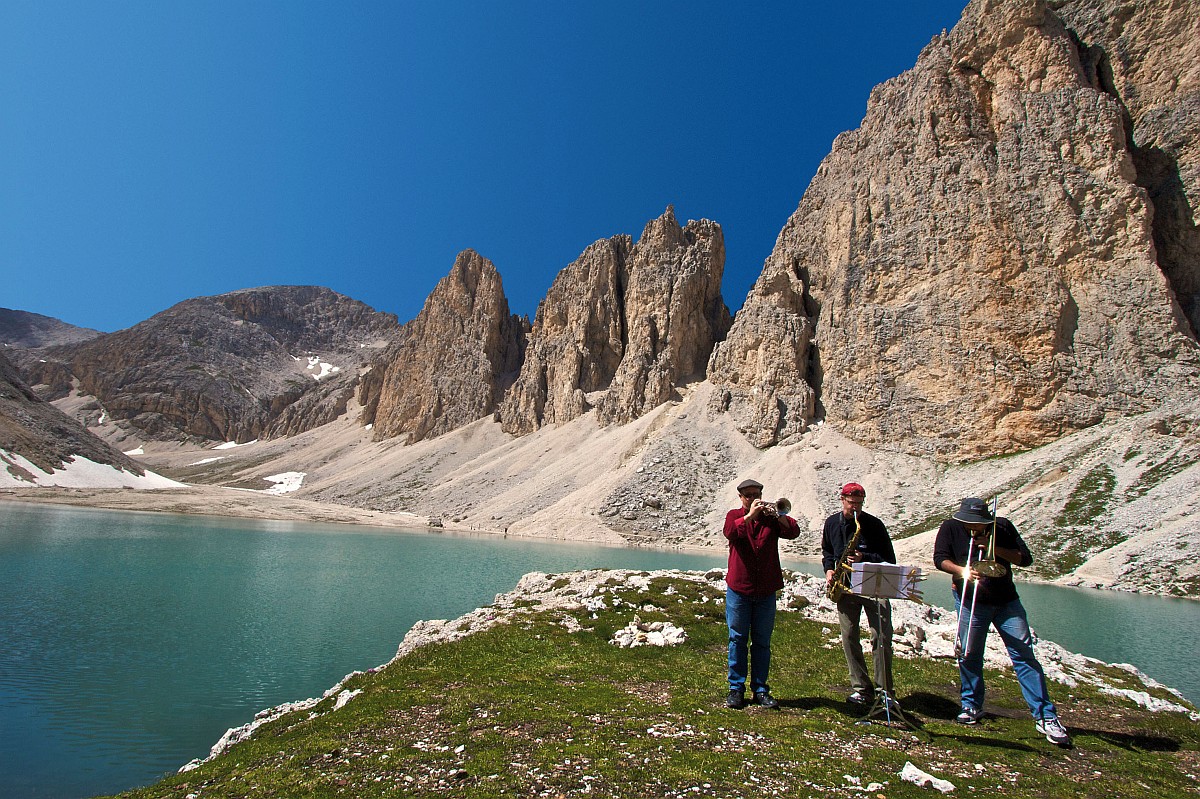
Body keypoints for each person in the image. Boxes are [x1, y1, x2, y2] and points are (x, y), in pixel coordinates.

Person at [933, 497, 1072, 746]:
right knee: (969, 653)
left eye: (977, 524)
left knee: (1023, 654)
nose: (972, 528)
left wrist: (993, 548)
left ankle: (1045, 715)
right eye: (969, 524)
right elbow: (940, 558)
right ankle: (971, 705)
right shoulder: (950, 527)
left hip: (1006, 601)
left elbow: (1024, 559)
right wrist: (961, 570)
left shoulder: (1003, 527)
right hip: (970, 600)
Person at [723, 478, 801, 709]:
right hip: (740, 588)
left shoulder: (770, 518)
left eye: (755, 494)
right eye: (747, 495)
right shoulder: (733, 516)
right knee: (737, 639)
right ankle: (736, 689)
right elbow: (730, 532)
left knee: (762, 642)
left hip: (766, 589)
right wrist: (749, 516)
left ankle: (760, 689)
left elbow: (793, 532)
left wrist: (780, 515)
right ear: (740, 498)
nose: (752, 498)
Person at [821, 482, 898, 708]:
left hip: (874, 586)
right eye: (851, 503)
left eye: (859, 504)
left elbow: (889, 559)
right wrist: (828, 569)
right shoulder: (831, 523)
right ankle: (861, 688)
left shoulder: (874, 525)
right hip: (845, 586)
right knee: (849, 636)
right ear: (842, 499)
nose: (855, 508)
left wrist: (865, 556)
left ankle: (885, 691)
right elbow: (827, 551)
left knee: (881, 636)